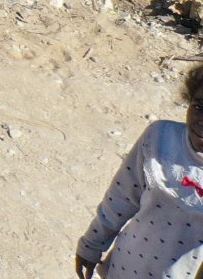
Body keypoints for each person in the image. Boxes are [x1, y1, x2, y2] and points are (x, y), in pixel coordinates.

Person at [77, 65, 203, 277]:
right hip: (127, 267)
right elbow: (120, 197)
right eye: (199, 107)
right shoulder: (160, 139)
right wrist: (91, 244)